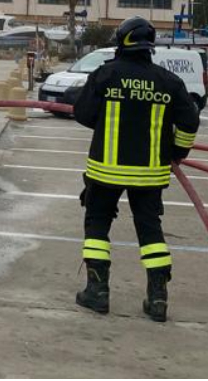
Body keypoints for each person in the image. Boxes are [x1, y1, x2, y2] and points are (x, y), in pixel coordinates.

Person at [72, 16, 199, 321]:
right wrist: (177, 151)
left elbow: (83, 113)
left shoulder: (106, 74)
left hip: (105, 171)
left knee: (98, 225)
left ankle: (97, 292)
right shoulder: (168, 81)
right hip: (150, 174)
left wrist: (107, 122)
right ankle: (158, 299)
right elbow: (190, 122)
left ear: (121, 42)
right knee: (150, 230)